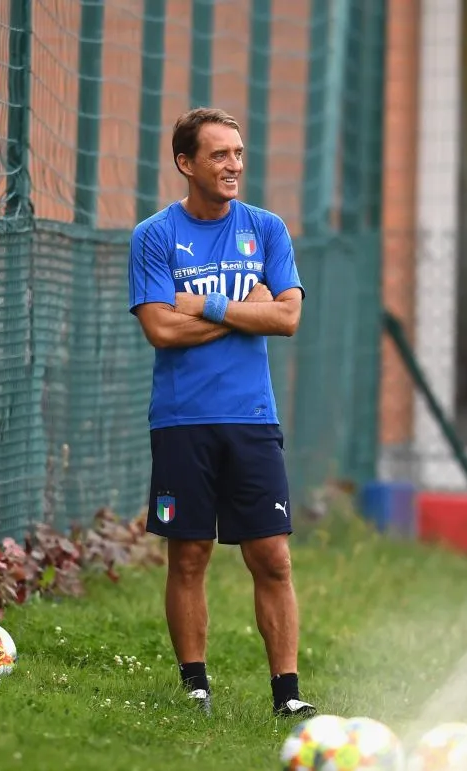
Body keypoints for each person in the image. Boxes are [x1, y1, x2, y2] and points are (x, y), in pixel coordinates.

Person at [127, 106, 316, 720]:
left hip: (252, 419)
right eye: (219, 155)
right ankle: (194, 687)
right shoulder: (154, 235)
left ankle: (287, 696)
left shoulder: (266, 229)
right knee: (188, 556)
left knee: (273, 557)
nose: (234, 164)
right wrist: (245, 307)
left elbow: (286, 317)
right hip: (181, 421)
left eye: (237, 152)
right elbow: (159, 328)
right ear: (186, 163)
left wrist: (205, 306)